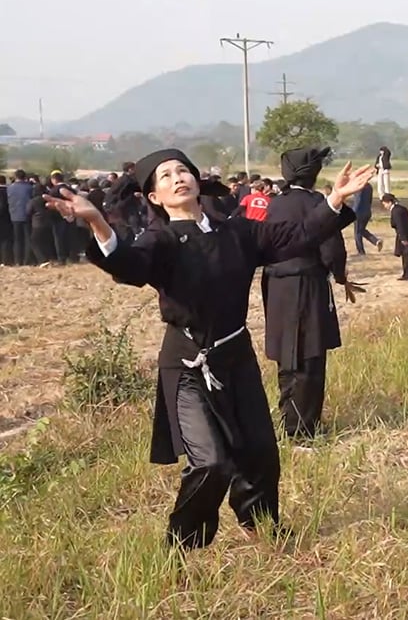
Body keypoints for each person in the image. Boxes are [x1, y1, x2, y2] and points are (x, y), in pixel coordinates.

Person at [44, 148, 371, 550]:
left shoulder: (237, 232)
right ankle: (182, 547)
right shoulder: (160, 241)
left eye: (182, 170)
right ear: (154, 197)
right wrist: (96, 221)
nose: (177, 178)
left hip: (236, 358)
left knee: (261, 452)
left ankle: (262, 526)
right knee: (211, 462)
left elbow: (296, 236)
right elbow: (129, 265)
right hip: (187, 365)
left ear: (197, 181)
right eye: (165, 176)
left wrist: (335, 199)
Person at [262, 146, 362, 442]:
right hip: (306, 284)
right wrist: (341, 277)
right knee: (309, 354)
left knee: (286, 354)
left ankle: (288, 419)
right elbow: (331, 248)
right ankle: (303, 428)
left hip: (276, 287)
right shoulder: (317, 202)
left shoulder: (275, 203)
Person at [382, 192, 408, 279]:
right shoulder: (400, 209)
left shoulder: (396, 211)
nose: (384, 206)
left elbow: (400, 225)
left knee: (407, 255)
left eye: (385, 204)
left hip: (405, 234)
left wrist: (403, 238)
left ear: (389, 202)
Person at [351, 181, 382, 254]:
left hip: (359, 212)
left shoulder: (359, 187)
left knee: (357, 232)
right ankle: (376, 241)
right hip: (367, 211)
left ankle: (361, 251)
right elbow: (369, 200)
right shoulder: (369, 186)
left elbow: (358, 200)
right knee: (362, 230)